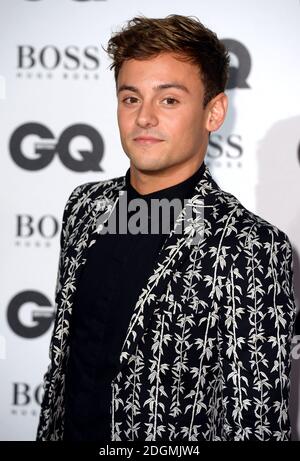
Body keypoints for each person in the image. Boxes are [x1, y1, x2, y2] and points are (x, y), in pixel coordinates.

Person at [36, 14, 296, 441]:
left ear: (214, 112)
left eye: (169, 100)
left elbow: (257, 421)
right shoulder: (85, 206)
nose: (144, 118)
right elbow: (66, 367)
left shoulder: (249, 245)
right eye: (131, 98)